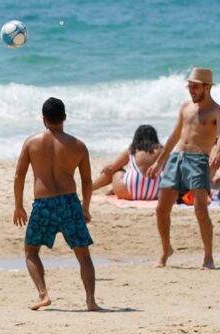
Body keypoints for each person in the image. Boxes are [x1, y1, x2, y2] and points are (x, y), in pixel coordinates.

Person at [13, 97, 100, 311]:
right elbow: (87, 181)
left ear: (44, 119)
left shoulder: (32, 143)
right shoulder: (78, 146)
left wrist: (18, 206)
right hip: (70, 202)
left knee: (31, 251)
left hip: (43, 204)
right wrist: (85, 208)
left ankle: (43, 295)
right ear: (65, 118)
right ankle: (90, 301)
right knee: (83, 254)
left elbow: (19, 175)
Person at [147, 68, 220, 269]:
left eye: (195, 87)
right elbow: (174, 136)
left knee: (200, 210)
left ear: (207, 87)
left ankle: (208, 257)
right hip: (176, 158)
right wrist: (159, 161)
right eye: (189, 86)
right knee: (161, 209)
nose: (191, 90)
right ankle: (166, 250)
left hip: (198, 160)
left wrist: (215, 150)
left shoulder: (216, 111)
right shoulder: (186, 107)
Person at [92, 125, 163, 200]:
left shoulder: (132, 150)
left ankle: (91, 188)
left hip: (128, 193)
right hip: (154, 193)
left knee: (118, 171)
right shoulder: (162, 151)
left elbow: (112, 168)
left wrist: (107, 167)